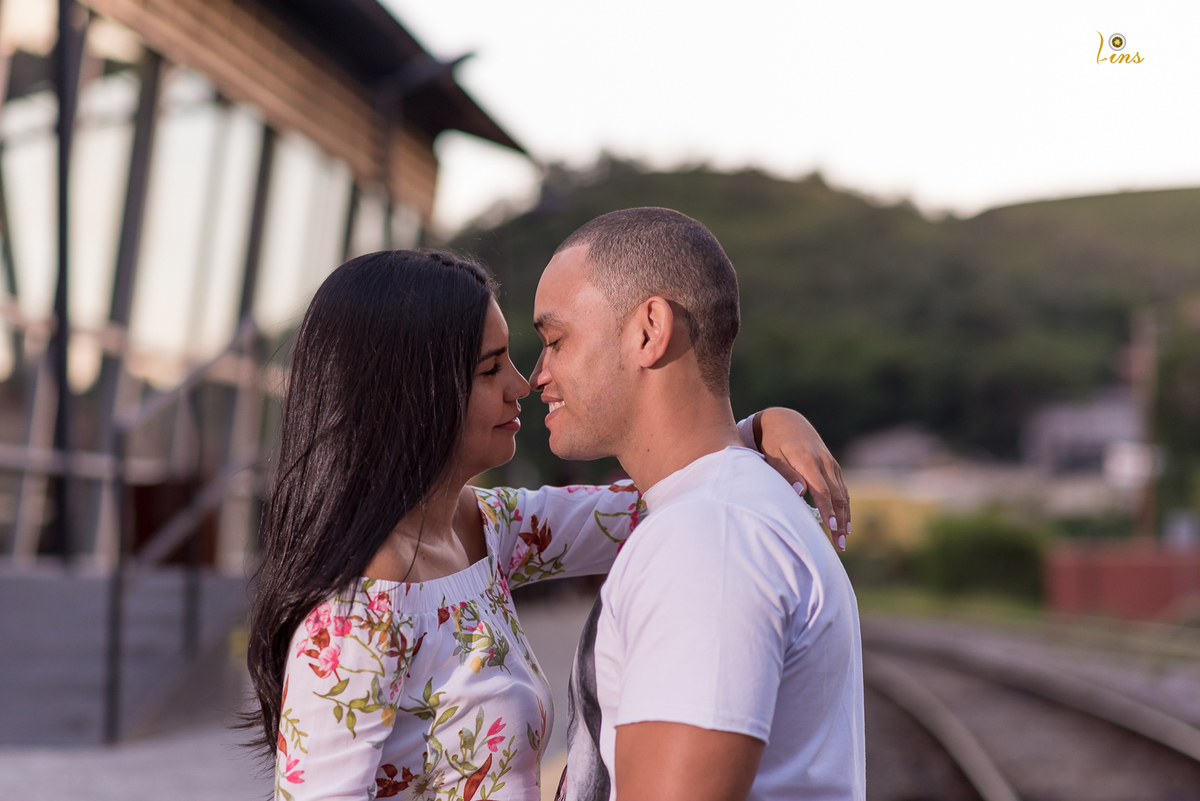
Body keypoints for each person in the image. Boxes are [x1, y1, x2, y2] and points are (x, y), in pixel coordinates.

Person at [244, 249, 850, 801]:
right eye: (489, 370)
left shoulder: (483, 531)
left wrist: (763, 426)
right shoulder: (353, 621)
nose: (522, 384)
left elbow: (648, 503)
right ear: (408, 393)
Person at [535, 209, 865, 801]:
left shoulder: (706, 537)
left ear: (648, 329)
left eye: (555, 341)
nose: (538, 375)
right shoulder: (715, 509)